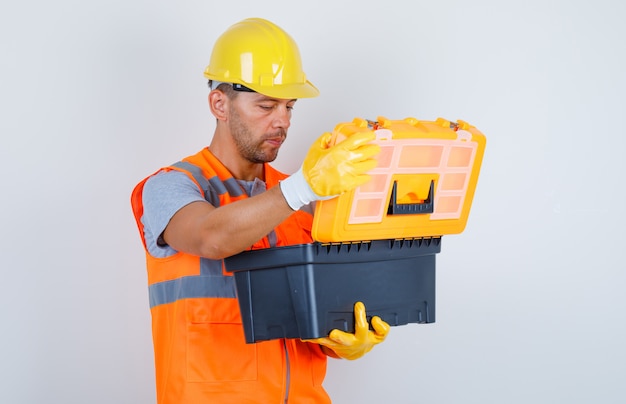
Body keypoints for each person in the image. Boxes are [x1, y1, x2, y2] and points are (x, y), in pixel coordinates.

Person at [130, 17, 390, 403]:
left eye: (289, 106)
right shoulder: (171, 187)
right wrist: (303, 187)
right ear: (220, 103)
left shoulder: (304, 199)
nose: (282, 121)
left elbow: (319, 317)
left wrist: (345, 340)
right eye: (266, 105)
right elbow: (212, 237)